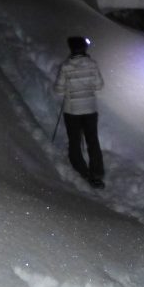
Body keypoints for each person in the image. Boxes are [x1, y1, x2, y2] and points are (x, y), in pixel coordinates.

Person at [53, 36, 105, 188]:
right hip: (90, 109)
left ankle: (82, 170)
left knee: (74, 141)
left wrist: (69, 88)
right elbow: (99, 85)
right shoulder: (92, 65)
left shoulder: (66, 66)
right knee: (92, 140)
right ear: (84, 48)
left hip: (72, 111)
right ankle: (97, 172)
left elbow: (58, 89)